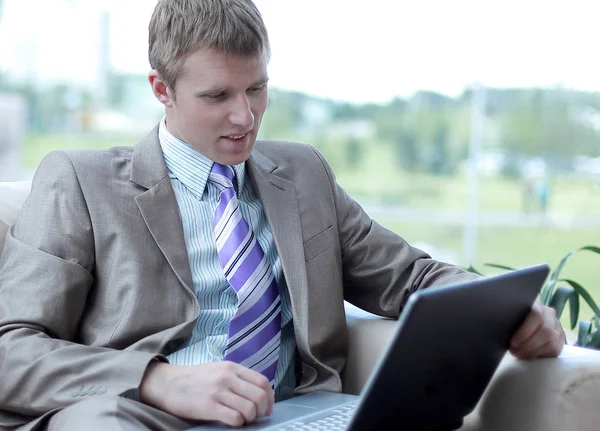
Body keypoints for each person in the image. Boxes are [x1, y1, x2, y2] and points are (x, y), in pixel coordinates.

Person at [0, 0, 565, 430]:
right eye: (218, 95)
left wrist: (510, 311)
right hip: (140, 416)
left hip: (296, 413)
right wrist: (155, 381)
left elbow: (411, 277)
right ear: (161, 89)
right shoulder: (81, 182)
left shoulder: (304, 176)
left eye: (258, 88)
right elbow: (10, 347)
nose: (245, 117)